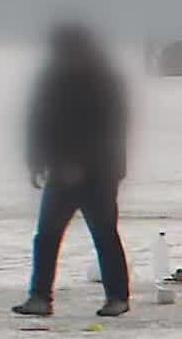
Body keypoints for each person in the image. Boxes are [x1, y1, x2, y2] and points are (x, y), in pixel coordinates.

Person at [14, 24, 131, 318]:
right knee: (47, 235)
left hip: (99, 173)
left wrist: (82, 164)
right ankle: (39, 297)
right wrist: (36, 161)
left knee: (103, 233)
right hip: (61, 170)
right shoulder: (52, 80)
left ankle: (117, 297)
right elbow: (39, 122)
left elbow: (110, 127)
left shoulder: (103, 81)